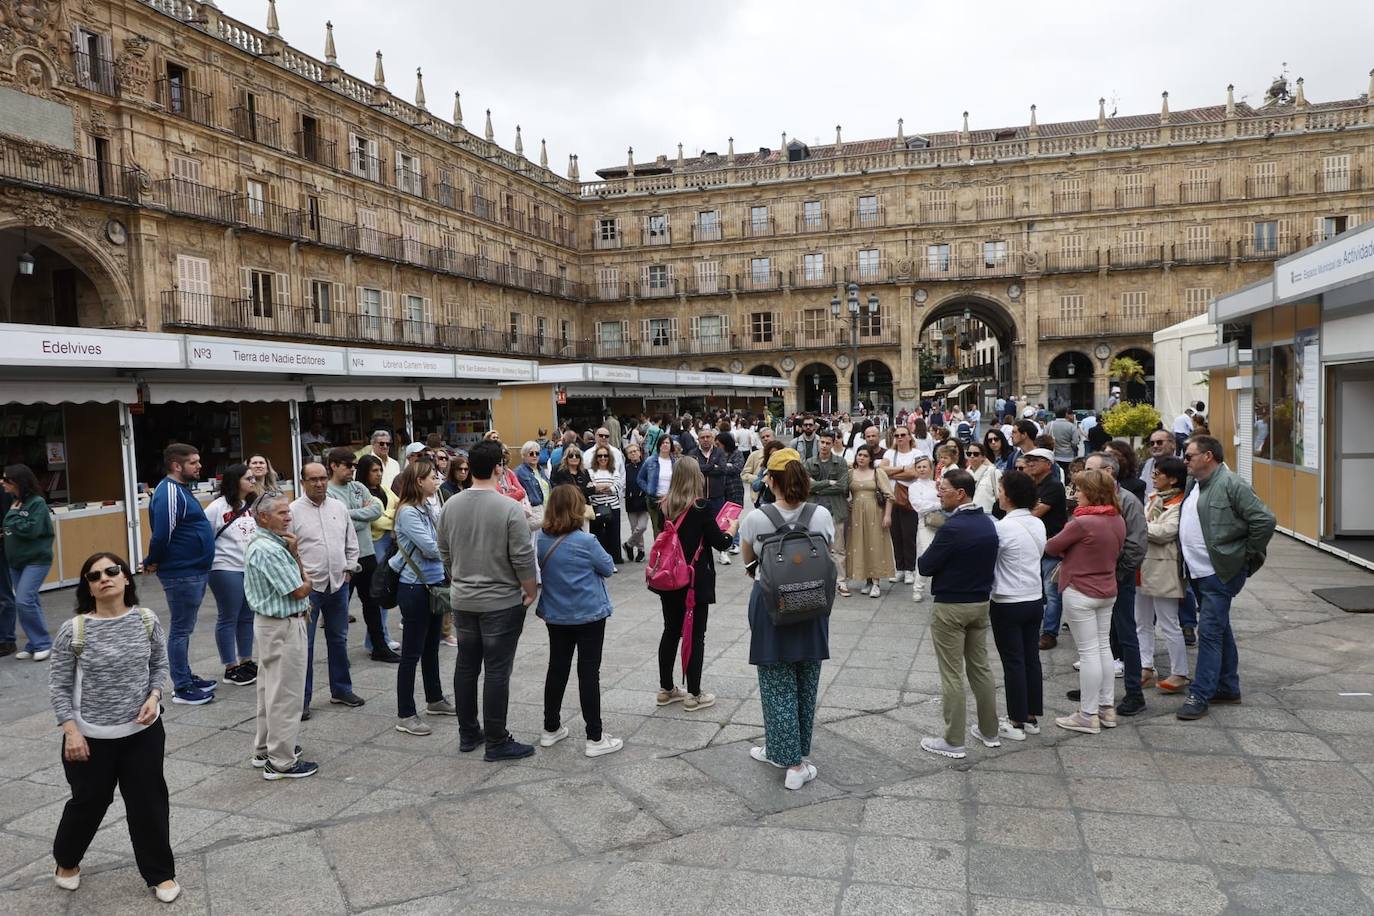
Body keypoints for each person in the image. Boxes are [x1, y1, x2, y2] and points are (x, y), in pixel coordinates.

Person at [48, 552, 180, 903]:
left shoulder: (146, 620)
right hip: (89, 737)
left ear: (125, 579)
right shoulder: (73, 630)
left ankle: (160, 874)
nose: (104, 578)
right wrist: (71, 733)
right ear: (88, 587)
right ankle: (66, 860)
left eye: (111, 571)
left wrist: (154, 697)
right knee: (89, 802)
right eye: (94, 576)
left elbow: (159, 665)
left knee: (148, 802)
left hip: (142, 733)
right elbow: (59, 686)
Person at [438, 440, 540, 761]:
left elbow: (444, 551)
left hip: (464, 599)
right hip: (500, 600)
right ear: (499, 467)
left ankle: (468, 733)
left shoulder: (450, 505)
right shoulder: (508, 507)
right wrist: (530, 588)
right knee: (497, 670)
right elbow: (522, 556)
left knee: (466, 665)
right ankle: (496, 739)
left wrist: (458, 579)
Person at [740, 449, 833, 790]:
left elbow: (748, 562)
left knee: (775, 681)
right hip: (812, 603)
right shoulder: (820, 515)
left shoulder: (756, 518)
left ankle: (791, 762)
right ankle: (788, 750)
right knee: (805, 681)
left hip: (770, 607)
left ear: (773, 480)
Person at [1176, 436, 1276, 721]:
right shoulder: (1193, 482)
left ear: (1208, 456)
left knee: (1209, 633)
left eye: (1190, 455)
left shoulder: (1232, 483)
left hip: (1219, 573)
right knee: (1220, 629)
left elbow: (1264, 520)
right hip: (1197, 571)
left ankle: (1200, 693)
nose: (1185, 460)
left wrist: (1244, 555)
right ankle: (1228, 687)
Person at [916, 469, 1002, 759]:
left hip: (951, 606)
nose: (939, 493)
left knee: (952, 674)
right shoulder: (988, 523)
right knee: (980, 668)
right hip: (980, 603)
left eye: (944, 488)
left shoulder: (953, 528)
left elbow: (925, 566)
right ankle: (990, 731)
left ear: (960, 493)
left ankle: (954, 741)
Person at [536, 484, 622, 757]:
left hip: (556, 614)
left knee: (557, 668)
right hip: (589, 614)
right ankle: (594, 737)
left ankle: (551, 728)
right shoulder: (587, 541)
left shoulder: (543, 539)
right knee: (588, 672)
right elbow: (608, 567)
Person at [1045, 469, 1127, 735]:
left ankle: (1087, 714)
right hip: (1107, 590)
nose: (1075, 494)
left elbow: (1051, 547)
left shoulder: (1083, 522)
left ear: (1092, 492)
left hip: (1080, 590)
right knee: (1103, 649)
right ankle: (1106, 708)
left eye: (1079, 489)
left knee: (1089, 653)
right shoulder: (1117, 519)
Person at [244, 493, 319, 779]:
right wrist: (303, 566)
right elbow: (300, 589)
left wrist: (295, 554)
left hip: (274, 624)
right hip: (282, 626)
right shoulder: (269, 549)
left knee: (270, 690)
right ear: (263, 517)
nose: (288, 517)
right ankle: (281, 761)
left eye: (288, 512)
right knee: (285, 693)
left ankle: (267, 748)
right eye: (281, 513)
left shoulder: (273, 544)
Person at [652, 460, 735, 711]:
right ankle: (694, 694)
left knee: (671, 631)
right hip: (694, 579)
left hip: (668, 577)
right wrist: (731, 529)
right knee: (696, 634)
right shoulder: (701, 506)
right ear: (695, 477)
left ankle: (666, 689)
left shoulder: (664, 505)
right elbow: (720, 543)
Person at [143, 445, 216, 705]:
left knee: (185, 627)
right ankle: (182, 687)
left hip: (192, 570)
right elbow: (162, 533)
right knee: (180, 630)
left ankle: (185, 675)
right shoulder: (169, 492)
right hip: (182, 572)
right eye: (193, 463)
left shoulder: (180, 490)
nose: (199, 466)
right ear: (176, 465)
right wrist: (153, 560)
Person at [290, 462, 363, 718]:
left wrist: (350, 568)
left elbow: (350, 542)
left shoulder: (339, 507)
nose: (319, 483)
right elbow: (287, 551)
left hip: (338, 583)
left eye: (322, 478)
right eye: (313, 479)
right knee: (304, 645)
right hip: (309, 588)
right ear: (303, 482)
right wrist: (299, 580)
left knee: (339, 639)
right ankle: (302, 701)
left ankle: (341, 689)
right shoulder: (292, 512)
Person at [392, 460, 456, 736]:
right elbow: (431, 548)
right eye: (433, 476)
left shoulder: (428, 506)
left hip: (434, 583)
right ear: (419, 481)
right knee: (411, 653)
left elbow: (442, 535)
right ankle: (405, 714)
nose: (438, 480)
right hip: (414, 587)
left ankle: (434, 699)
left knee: (431, 646)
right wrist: (453, 544)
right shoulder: (407, 512)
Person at [990, 471, 1047, 740]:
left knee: (1013, 661)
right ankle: (1031, 715)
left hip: (1008, 600)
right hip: (1034, 597)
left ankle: (1015, 720)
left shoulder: (1002, 528)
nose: (998, 494)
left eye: (1000, 490)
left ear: (1009, 495)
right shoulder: (1037, 524)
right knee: (1030, 659)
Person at [325, 448, 395, 664]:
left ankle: (379, 646)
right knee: (340, 607)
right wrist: (356, 516)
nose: (352, 470)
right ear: (334, 465)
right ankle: (338, 653)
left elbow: (377, 510)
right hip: (343, 558)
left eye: (354, 466)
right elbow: (334, 520)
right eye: (347, 465)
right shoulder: (328, 492)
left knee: (373, 602)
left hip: (366, 554)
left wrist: (348, 513)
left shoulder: (359, 487)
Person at [1137, 456, 1190, 693]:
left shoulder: (1181, 504)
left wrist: (1138, 526)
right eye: (1154, 473)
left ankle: (1180, 672)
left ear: (1173, 479)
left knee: (1169, 622)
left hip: (1163, 568)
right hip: (1142, 566)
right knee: (1141, 621)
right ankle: (1145, 667)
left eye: (1159, 474)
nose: (1154, 477)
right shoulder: (1154, 499)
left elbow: (1166, 532)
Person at [204, 463, 258, 687]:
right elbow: (205, 538)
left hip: (248, 567)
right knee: (229, 616)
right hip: (224, 567)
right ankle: (230, 665)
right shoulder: (216, 508)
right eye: (249, 478)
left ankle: (246, 659)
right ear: (235, 481)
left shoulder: (250, 504)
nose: (253, 481)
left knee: (247, 615)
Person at [3, 464, 54, 661]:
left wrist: (11, 518)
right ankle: (34, 643)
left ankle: (42, 643)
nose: (3, 483)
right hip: (16, 561)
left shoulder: (37, 503)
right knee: (30, 602)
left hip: (36, 560)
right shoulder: (15, 501)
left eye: (6, 480)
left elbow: (32, 530)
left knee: (23, 601)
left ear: (18, 482)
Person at [1023, 449, 1068, 650]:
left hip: (1051, 545)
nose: (1030, 463)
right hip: (1033, 544)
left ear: (1048, 464)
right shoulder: (1031, 485)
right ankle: (1034, 627)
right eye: (1028, 460)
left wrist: (1022, 512)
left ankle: (1050, 633)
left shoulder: (1054, 486)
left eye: (1035, 460)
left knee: (1051, 592)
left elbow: (1035, 513)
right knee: (1034, 587)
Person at [358, 454, 401, 656]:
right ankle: (377, 638)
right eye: (374, 471)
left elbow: (399, 505)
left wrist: (388, 514)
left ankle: (380, 636)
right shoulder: (361, 492)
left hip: (388, 543)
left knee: (384, 591)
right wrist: (390, 517)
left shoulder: (384, 489)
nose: (379, 474)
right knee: (377, 590)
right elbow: (376, 521)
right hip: (374, 543)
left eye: (380, 470)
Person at [805, 430, 851, 596]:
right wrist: (827, 482)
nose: (824, 446)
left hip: (835, 510)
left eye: (827, 443)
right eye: (821, 442)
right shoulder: (810, 462)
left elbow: (842, 486)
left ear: (833, 443)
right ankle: (818, 581)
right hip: (814, 511)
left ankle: (841, 582)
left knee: (838, 549)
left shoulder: (841, 462)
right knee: (816, 547)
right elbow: (806, 486)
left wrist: (818, 488)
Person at [846, 445, 894, 598]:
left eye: (865, 456)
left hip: (874, 512)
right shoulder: (850, 474)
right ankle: (867, 579)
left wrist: (887, 515)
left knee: (875, 544)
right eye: (859, 455)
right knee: (860, 544)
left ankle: (876, 582)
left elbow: (889, 496)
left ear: (870, 459)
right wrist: (848, 503)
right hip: (856, 515)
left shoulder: (877, 472)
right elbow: (843, 492)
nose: (861, 458)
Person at [880, 426, 921, 586]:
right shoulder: (890, 453)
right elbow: (881, 470)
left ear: (910, 437)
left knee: (909, 535)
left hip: (911, 499)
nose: (900, 438)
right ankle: (899, 568)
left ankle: (910, 568)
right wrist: (904, 468)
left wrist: (893, 472)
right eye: (897, 435)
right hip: (892, 497)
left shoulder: (917, 453)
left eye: (903, 435)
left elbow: (916, 473)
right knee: (895, 535)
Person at [908, 456, 940, 602]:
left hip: (941, 523)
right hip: (925, 524)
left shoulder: (937, 484)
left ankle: (938, 587)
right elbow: (918, 506)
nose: (922, 469)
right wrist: (937, 504)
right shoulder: (914, 487)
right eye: (919, 467)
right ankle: (918, 588)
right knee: (925, 553)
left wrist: (932, 504)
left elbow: (945, 500)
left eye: (924, 466)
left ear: (930, 468)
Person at [588, 445, 623, 565]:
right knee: (598, 535)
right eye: (600, 456)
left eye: (605, 455)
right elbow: (591, 487)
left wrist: (603, 487)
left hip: (613, 507)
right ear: (596, 457)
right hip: (597, 507)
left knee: (613, 534)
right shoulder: (590, 471)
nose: (603, 458)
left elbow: (617, 487)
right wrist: (604, 487)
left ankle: (614, 559)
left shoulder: (615, 471)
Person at [639, 433, 677, 536]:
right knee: (658, 530)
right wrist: (648, 489)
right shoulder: (650, 461)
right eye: (663, 443)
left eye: (667, 443)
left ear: (671, 445)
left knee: (672, 529)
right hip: (654, 500)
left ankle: (670, 551)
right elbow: (640, 478)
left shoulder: (675, 462)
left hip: (670, 500)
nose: (665, 445)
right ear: (659, 445)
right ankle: (659, 551)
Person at [717, 431, 747, 557]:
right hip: (720, 489)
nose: (717, 446)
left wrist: (721, 466)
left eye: (718, 444)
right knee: (722, 516)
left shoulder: (737, 453)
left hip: (735, 489)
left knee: (732, 516)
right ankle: (726, 540)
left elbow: (737, 468)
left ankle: (734, 542)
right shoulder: (718, 454)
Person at [621, 442, 649, 562]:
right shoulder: (626, 469)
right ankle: (640, 550)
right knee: (634, 528)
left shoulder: (646, 466)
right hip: (630, 501)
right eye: (630, 452)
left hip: (643, 501)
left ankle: (628, 544)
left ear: (640, 452)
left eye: (635, 451)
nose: (633, 454)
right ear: (627, 455)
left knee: (641, 527)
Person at [740, 426, 776, 506]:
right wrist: (759, 479)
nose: (765, 439)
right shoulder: (754, 455)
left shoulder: (783, 454)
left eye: (768, 436)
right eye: (763, 437)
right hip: (760, 497)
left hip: (778, 498)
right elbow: (744, 474)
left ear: (774, 437)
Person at [1105, 439, 1148, 505]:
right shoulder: (1098, 483)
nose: (1105, 458)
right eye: (1104, 455)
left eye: (1110, 455)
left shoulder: (1136, 485)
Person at [1140, 430, 1177, 495]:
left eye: (1159, 442)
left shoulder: (1183, 466)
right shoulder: (1143, 466)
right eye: (1152, 443)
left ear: (1173, 444)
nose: (1155, 446)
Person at [967, 442, 1000, 514]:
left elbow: (999, 496)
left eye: (976, 454)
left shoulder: (993, 472)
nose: (972, 456)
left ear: (983, 457)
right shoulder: (964, 473)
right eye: (969, 454)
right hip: (969, 513)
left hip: (987, 513)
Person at [1049, 407, 1083, 475]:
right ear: (1066, 414)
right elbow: (1075, 441)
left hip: (1054, 455)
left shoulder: (1050, 425)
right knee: (1067, 475)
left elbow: (1045, 438)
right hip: (1068, 455)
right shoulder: (1071, 426)